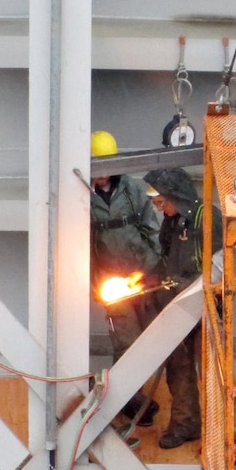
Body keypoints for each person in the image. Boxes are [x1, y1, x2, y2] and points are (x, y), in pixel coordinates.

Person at [143, 167, 222, 449]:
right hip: (178, 305)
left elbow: (220, 264)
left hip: (206, 304)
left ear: (177, 196)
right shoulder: (172, 222)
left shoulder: (208, 218)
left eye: (162, 202)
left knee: (214, 369)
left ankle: (222, 430)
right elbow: (165, 257)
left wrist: (185, 284)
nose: (160, 209)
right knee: (179, 366)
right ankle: (185, 424)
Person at [90, 130, 161, 424]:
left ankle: (131, 395)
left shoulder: (132, 190)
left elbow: (151, 229)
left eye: (108, 166)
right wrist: (95, 284)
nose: (103, 174)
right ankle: (126, 400)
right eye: (98, 167)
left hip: (142, 279)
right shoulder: (83, 198)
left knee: (149, 342)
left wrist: (151, 267)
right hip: (111, 286)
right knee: (127, 342)